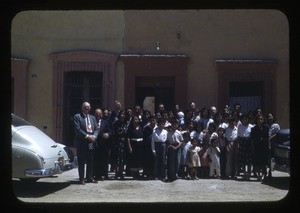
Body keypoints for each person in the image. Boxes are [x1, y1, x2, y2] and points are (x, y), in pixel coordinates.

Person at [73, 102, 99, 185]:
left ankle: (89, 177)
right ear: (82, 108)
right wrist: (87, 136)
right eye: (85, 107)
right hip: (81, 142)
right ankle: (81, 179)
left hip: (91, 141)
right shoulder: (77, 117)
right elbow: (78, 129)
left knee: (90, 160)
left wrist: (94, 136)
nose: (87, 108)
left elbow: (96, 129)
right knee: (81, 161)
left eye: (88, 107)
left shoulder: (92, 118)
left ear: (90, 108)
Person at [93, 108, 112, 181]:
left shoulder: (106, 122)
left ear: (101, 114)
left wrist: (108, 134)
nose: (98, 115)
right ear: (94, 114)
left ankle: (103, 174)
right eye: (96, 113)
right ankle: (94, 175)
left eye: (99, 113)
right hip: (94, 144)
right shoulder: (91, 122)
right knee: (95, 160)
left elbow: (111, 131)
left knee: (104, 160)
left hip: (103, 144)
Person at [250, 114, 270, 181]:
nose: (260, 120)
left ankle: (264, 174)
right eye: (259, 119)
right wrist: (252, 148)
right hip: (256, 147)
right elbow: (252, 139)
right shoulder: (253, 129)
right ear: (256, 120)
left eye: (261, 119)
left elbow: (268, 138)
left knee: (264, 162)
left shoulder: (266, 128)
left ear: (263, 120)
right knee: (257, 162)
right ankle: (258, 174)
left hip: (264, 147)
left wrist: (268, 146)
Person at [127, 115, 144, 179]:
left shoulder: (141, 127)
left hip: (140, 145)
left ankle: (138, 173)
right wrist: (130, 147)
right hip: (133, 145)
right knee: (134, 160)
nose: (135, 121)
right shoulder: (130, 128)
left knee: (139, 159)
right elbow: (128, 138)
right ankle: (134, 173)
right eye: (134, 119)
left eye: (137, 119)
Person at [142, 115, 157, 179]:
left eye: (154, 120)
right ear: (149, 121)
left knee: (155, 161)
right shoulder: (146, 128)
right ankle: (148, 174)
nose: (152, 122)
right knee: (148, 161)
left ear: (156, 121)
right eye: (151, 121)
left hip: (155, 147)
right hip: (148, 147)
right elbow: (145, 138)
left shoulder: (157, 128)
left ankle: (154, 173)